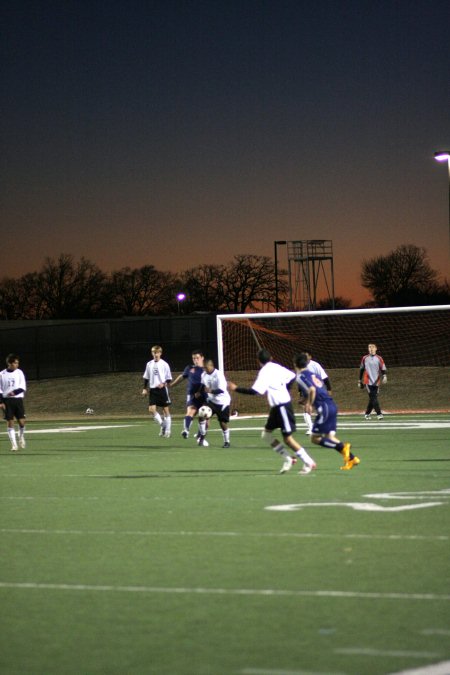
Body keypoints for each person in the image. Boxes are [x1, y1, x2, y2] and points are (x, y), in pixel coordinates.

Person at [228, 349, 316, 475]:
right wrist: (286, 388)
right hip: (277, 408)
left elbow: (256, 391)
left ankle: (308, 461)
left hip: (283, 406)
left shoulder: (264, 372)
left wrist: (236, 388)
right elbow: (292, 377)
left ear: (258, 361)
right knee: (266, 435)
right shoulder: (276, 366)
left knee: (288, 439)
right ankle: (288, 458)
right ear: (271, 358)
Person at [294, 352, 360, 471]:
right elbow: (318, 387)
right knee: (329, 436)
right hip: (331, 405)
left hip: (324, 408)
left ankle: (344, 447)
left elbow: (312, 389)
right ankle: (352, 459)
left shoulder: (300, 376)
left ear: (296, 365)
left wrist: (308, 403)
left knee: (315, 439)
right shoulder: (313, 374)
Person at [170, 349, 206, 438]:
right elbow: (182, 377)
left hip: (204, 395)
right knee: (190, 412)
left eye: (197, 358)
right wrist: (172, 385)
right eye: (194, 358)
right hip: (192, 395)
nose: (195, 360)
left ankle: (200, 434)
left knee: (204, 415)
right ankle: (186, 430)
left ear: (202, 358)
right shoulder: (189, 368)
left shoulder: (207, 369)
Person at [198, 358, 231, 448]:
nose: (205, 369)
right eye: (204, 368)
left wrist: (211, 391)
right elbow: (202, 385)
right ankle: (202, 436)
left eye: (206, 367)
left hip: (222, 402)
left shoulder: (219, 375)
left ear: (211, 366)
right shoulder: (204, 374)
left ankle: (227, 442)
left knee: (222, 423)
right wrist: (198, 392)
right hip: (211, 401)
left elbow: (222, 390)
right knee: (201, 416)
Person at [142, 345, 173, 438]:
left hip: (162, 390)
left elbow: (169, 378)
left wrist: (163, 384)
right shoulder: (149, 364)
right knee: (151, 409)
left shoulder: (164, 364)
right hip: (153, 390)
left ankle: (168, 430)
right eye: (154, 353)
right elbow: (146, 377)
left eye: (157, 352)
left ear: (160, 353)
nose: (156, 354)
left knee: (165, 410)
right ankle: (163, 425)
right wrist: (144, 388)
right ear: (152, 353)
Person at [0, 353, 27, 452]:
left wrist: (14, 392)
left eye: (17, 363)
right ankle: (14, 445)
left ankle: (21, 436)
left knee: (22, 422)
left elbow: (23, 387)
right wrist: (1, 402)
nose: (17, 365)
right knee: (10, 422)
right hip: (7, 401)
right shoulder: (2, 374)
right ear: (9, 363)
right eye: (15, 363)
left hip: (18, 400)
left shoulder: (19, 372)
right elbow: (0, 390)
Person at [301, 349, 332, 435]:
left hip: (317, 390)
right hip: (306, 391)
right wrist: (300, 392)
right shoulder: (301, 366)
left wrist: (329, 389)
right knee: (306, 408)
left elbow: (324, 377)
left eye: (306, 355)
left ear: (310, 357)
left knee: (320, 408)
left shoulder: (315, 365)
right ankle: (310, 428)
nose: (304, 357)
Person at [358, 343, 387, 420]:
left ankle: (367, 414)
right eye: (369, 347)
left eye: (373, 347)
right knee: (373, 397)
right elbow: (361, 369)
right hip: (367, 381)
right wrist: (359, 380)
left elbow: (383, 368)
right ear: (368, 349)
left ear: (376, 348)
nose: (371, 348)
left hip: (376, 381)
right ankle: (379, 414)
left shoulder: (379, 358)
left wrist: (384, 376)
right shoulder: (365, 358)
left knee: (372, 398)